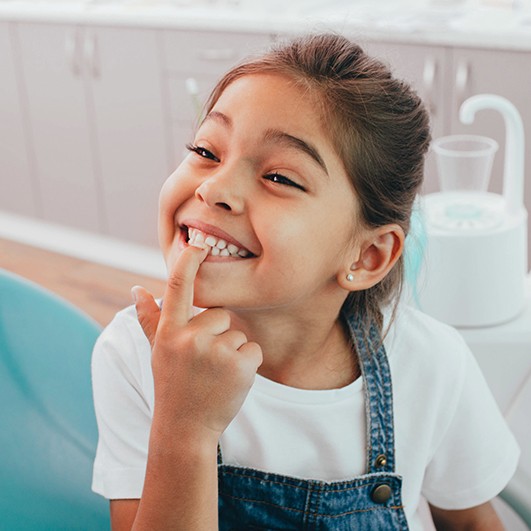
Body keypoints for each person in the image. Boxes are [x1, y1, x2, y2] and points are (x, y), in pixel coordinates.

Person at [91, 33, 519, 530]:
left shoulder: (432, 366)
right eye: (207, 149)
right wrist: (184, 427)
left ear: (367, 255)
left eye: (279, 178)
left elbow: (469, 522)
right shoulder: (134, 355)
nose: (214, 187)